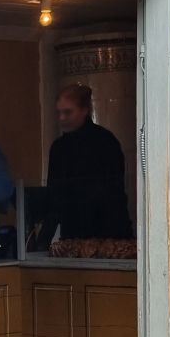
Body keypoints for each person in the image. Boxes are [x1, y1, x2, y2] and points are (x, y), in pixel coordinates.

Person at [44, 83, 133, 245]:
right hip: (75, 234)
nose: (62, 118)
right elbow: (54, 196)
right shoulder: (59, 148)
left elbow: (112, 194)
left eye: (68, 112)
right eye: (59, 112)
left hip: (107, 234)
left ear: (84, 110)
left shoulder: (105, 143)